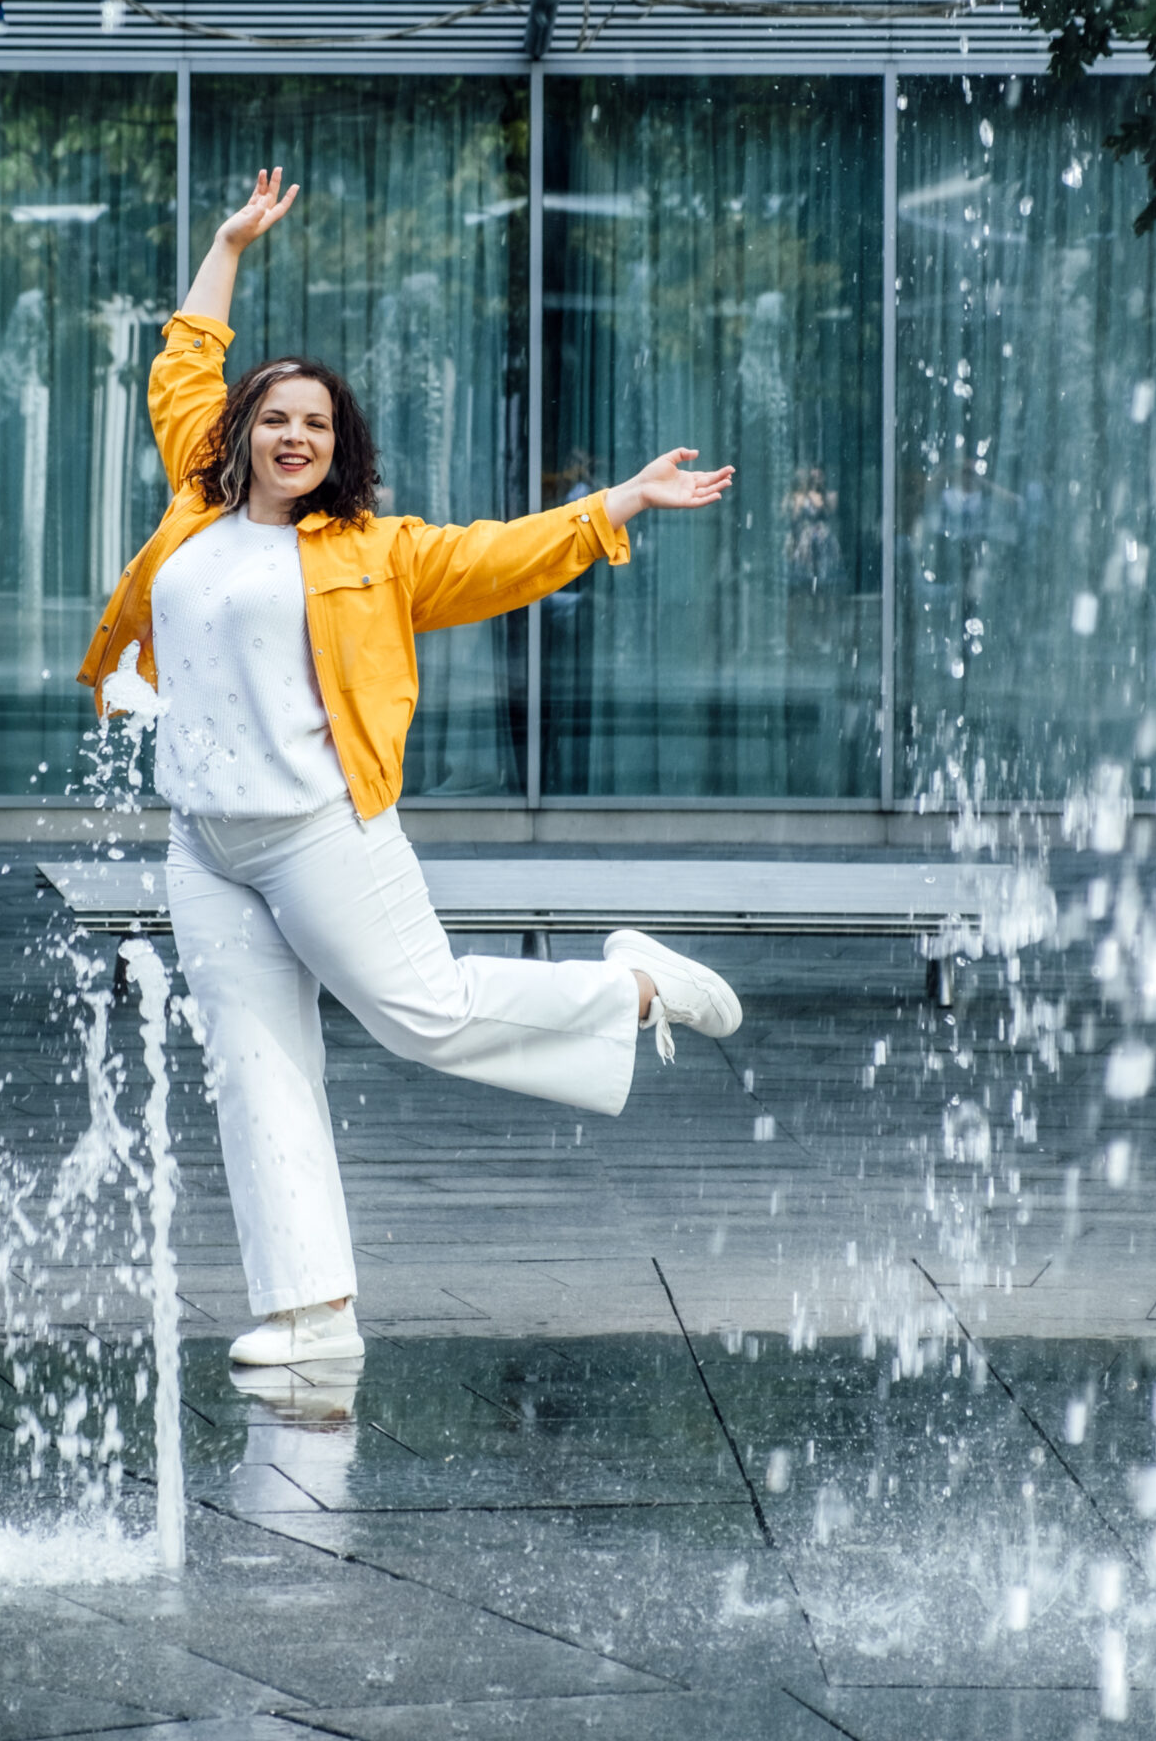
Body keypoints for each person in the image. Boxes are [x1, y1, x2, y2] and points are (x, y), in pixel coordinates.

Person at [75, 167, 746, 1369]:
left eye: (316, 426)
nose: (293, 436)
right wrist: (228, 243)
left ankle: (635, 989)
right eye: (276, 417)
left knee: (421, 1014)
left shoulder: (378, 553)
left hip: (319, 830)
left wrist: (620, 503)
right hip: (205, 842)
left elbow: (503, 557)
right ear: (242, 434)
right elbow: (184, 360)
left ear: (338, 451)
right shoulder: (193, 503)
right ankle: (311, 1313)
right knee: (253, 1064)